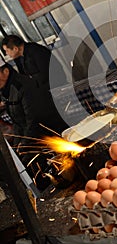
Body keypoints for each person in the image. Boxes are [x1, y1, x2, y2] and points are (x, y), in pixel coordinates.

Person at [0, 61, 68, 189]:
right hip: (33, 135)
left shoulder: (23, 86)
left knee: (57, 170)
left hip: (50, 134)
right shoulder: (6, 91)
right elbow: (17, 121)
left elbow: (34, 118)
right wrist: (17, 144)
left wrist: (25, 145)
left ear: (6, 71)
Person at [1, 34, 67, 89]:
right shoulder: (18, 58)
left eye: (7, 50)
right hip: (39, 87)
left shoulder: (35, 50)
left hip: (55, 84)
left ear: (15, 49)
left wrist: (31, 81)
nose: (6, 53)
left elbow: (47, 72)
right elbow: (23, 77)